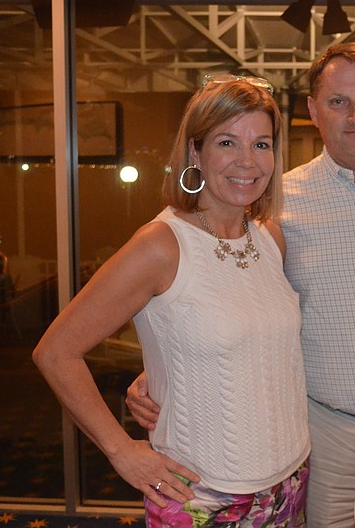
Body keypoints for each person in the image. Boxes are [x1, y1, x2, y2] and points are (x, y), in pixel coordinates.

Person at [126, 43, 355, 528]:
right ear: (315, 111)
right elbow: (215, 299)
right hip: (328, 436)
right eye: (337, 101)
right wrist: (161, 368)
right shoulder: (272, 208)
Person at [33, 76, 310, 527]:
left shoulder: (269, 238)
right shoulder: (161, 245)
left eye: (261, 144)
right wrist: (122, 451)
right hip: (202, 492)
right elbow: (56, 352)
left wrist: (163, 369)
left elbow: (250, 344)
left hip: (288, 478)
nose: (247, 161)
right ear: (196, 152)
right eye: (227, 142)